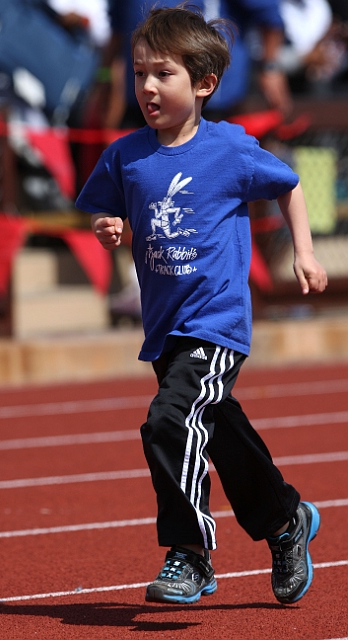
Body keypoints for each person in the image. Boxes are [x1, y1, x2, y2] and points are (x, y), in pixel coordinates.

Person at [75, 5, 328, 605]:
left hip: (215, 322)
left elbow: (289, 184)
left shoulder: (230, 150)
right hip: (164, 327)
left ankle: (188, 555)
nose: (147, 88)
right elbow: (103, 206)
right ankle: (285, 519)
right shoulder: (127, 154)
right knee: (215, 431)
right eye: (138, 75)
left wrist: (305, 253)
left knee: (169, 421)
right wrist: (107, 225)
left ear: (204, 83)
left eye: (162, 74)